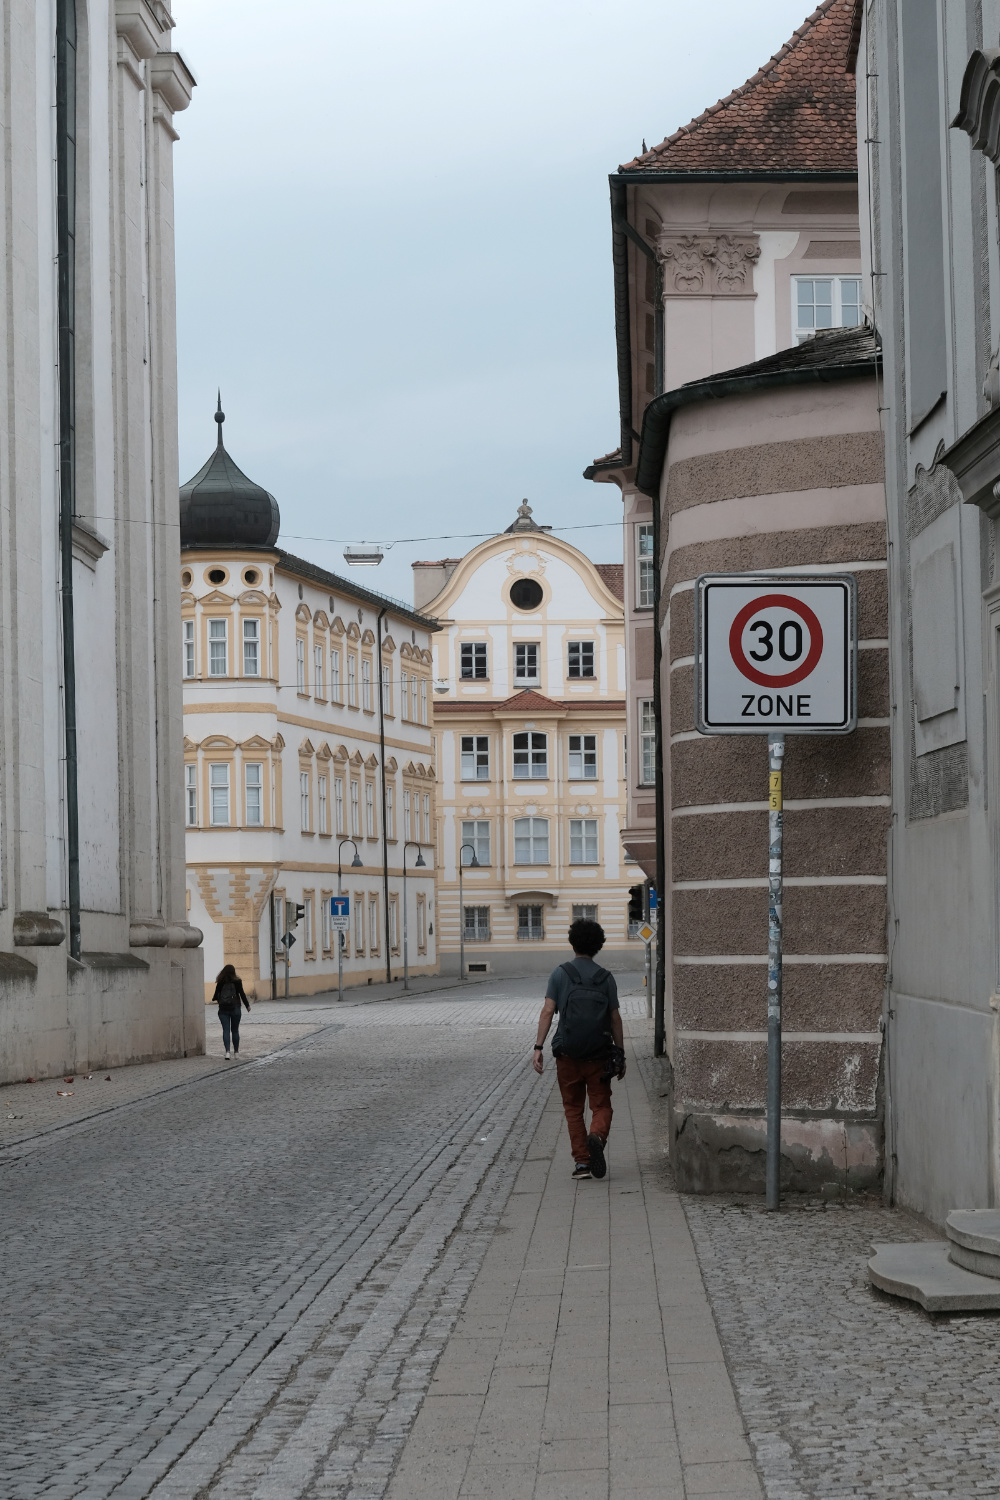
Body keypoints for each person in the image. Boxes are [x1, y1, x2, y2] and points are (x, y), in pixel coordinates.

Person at [532, 917, 626, 1180]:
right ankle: (596, 1136)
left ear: (572, 943)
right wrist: (620, 1053)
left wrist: (538, 1047)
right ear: (598, 945)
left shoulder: (560, 974)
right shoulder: (605, 978)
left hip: (568, 1054)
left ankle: (582, 1164)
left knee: (573, 1108)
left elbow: (548, 1011)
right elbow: (615, 1018)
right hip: (599, 1055)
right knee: (601, 1105)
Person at [212, 964, 250, 1059]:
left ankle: (227, 1052)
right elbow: (242, 994)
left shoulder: (220, 981)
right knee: (235, 1030)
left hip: (223, 1009)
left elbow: (215, 996)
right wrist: (247, 1006)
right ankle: (236, 1053)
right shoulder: (237, 981)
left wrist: (221, 1001)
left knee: (226, 1030)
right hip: (235, 1008)